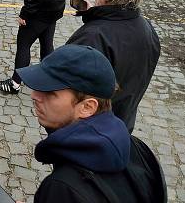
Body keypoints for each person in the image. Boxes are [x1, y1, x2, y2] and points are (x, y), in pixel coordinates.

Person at [16, 45, 166, 202]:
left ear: (87, 107)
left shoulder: (62, 189)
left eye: (50, 92)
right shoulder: (136, 147)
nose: (34, 95)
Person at [66, 0, 160, 133]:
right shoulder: (147, 28)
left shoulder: (92, 37)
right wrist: (97, 14)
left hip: (87, 134)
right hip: (122, 127)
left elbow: (65, 92)